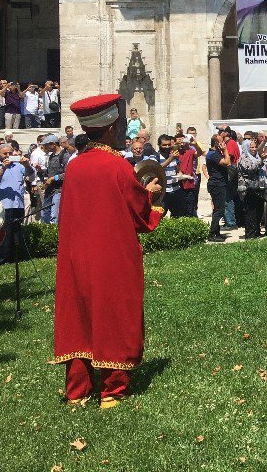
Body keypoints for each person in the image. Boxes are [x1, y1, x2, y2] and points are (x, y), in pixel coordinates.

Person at [52, 94, 163, 408]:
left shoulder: (74, 168)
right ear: (113, 127)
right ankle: (112, 390)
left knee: (79, 314)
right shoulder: (117, 166)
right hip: (112, 255)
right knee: (113, 312)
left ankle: (77, 391)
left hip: (76, 257)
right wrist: (151, 194)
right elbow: (139, 214)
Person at [0, 143, 34, 264]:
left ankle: (16, 258)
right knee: (5, 233)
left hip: (18, 204)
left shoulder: (18, 166)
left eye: (10, 153)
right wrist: (2, 168)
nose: (8, 156)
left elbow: (30, 174)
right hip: (3, 205)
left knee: (16, 231)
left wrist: (27, 164)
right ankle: (3, 259)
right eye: (5, 153)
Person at [237, 137, 267, 239]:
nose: (254, 149)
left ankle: (257, 231)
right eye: (252, 148)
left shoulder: (256, 157)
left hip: (258, 187)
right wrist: (261, 161)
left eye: (255, 147)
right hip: (248, 189)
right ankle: (250, 234)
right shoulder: (243, 158)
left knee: (259, 210)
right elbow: (250, 169)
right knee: (251, 212)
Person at [204, 133, 231, 242]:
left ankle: (216, 232)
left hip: (219, 184)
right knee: (219, 210)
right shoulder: (213, 154)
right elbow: (227, 163)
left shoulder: (214, 153)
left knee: (218, 209)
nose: (223, 143)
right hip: (217, 184)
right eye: (221, 141)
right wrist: (225, 150)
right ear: (216, 143)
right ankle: (212, 234)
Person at [40, 134, 70, 226]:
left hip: (59, 190)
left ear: (53, 144)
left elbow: (68, 173)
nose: (44, 147)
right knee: (45, 214)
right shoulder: (51, 156)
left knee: (54, 215)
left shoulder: (65, 155)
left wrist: (54, 178)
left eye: (46, 145)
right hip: (49, 189)